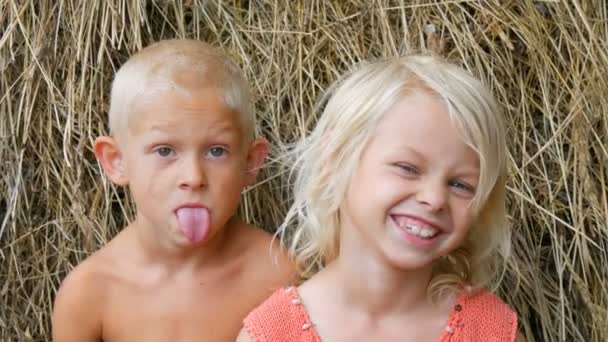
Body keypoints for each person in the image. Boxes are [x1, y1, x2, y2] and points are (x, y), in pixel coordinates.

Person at [239, 55, 523, 341]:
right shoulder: (271, 333)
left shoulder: (492, 331)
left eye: (461, 185)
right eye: (407, 168)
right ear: (336, 159)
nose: (435, 198)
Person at [52, 39, 295, 342]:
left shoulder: (277, 275)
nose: (193, 177)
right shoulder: (90, 294)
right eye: (165, 151)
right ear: (117, 162)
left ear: (250, 162)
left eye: (216, 151)